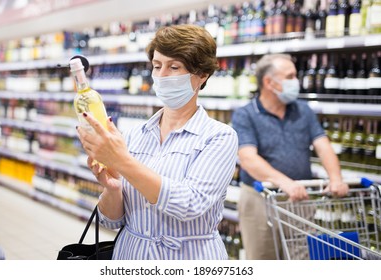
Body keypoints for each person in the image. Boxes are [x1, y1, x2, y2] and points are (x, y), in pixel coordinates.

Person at [77, 24, 238, 260]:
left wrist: (121, 161)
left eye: (174, 67)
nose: (161, 76)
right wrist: (113, 190)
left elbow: (189, 204)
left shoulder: (219, 137)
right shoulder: (134, 134)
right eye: (156, 66)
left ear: (202, 75)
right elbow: (112, 220)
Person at [231, 53, 349, 260]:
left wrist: (336, 178)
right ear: (269, 82)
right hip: (259, 199)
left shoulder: (303, 111)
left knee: (301, 260)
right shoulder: (246, 114)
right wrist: (284, 183)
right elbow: (248, 158)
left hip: (300, 198)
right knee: (262, 260)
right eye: (290, 76)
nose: (297, 81)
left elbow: (323, 146)